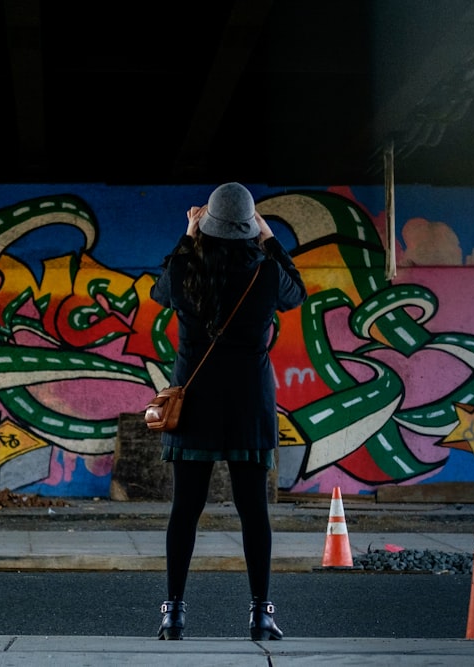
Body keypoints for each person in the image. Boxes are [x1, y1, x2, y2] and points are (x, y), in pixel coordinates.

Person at [149, 182, 307, 640]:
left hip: (194, 407)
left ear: (207, 225)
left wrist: (188, 234)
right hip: (248, 407)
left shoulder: (184, 270)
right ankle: (261, 613)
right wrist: (269, 237)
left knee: (185, 510)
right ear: (248, 228)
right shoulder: (265, 273)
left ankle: (174, 612)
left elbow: (161, 291)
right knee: (253, 512)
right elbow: (296, 294)